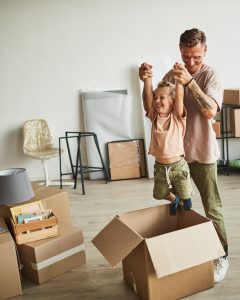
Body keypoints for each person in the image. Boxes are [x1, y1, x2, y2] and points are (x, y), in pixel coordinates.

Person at [139, 28, 229, 283]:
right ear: (180, 49)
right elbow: (153, 107)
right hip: (175, 157)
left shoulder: (211, 75)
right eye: (186, 56)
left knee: (212, 208)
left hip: (202, 154)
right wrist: (145, 79)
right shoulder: (170, 75)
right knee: (178, 207)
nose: (190, 62)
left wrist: (189, 81)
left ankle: (221, 255)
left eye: (196, 58)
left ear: (205, 52)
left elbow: (210, 111)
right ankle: (186, 251)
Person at [144, 66, 193, 215]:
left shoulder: (177, 116)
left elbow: (179, 97)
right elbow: (148, 95)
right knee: (158, 194)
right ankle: (174, 199)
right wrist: (148, 78)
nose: (157, 100)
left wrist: (179, 79)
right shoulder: (154, 116)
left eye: (162, 97)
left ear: (172, 101)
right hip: (160, 167)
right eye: (156, 97)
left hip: (178, 167)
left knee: (188, 203)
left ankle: (184, 199)